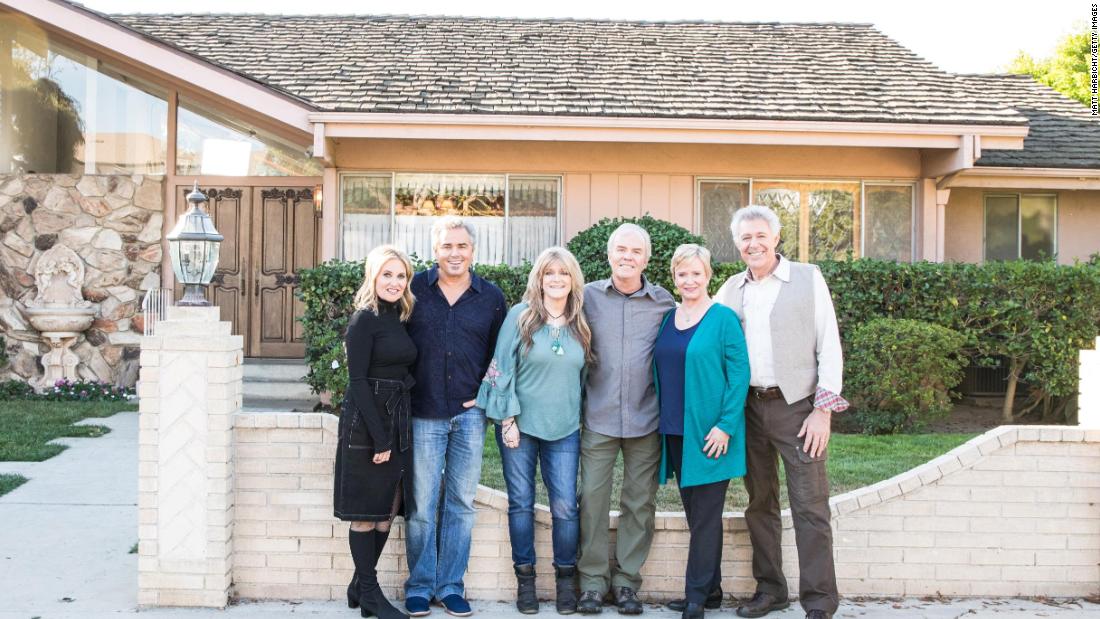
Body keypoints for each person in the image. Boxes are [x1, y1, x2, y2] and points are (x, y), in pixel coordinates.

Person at [714, 205, 848, 619]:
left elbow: (830, 347)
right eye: (745, 238)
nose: (753, 244)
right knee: (760, 503)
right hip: (749, 410)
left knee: (810, 506)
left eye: (760, 236)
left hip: (798, 409)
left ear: (775, 238)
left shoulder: (807, 278)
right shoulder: (730, 289)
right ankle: (771, 589)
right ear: (738, 245)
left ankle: (820, 601)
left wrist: (822, 411)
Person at [477, 247, 595, 615]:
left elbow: (585, 377)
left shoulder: (581, 322)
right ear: (539, 279)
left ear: (573, 279)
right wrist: (507, 420)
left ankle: (564, 582)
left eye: (563, 273)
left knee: (565, 508)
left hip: (564, 429)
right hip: (520, 428)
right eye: (549, 273)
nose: (556, 279)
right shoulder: (521, 316)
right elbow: (500, 368)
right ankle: (525, 582)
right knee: (521, 504)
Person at [404, 216, 506, 618]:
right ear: (435, 250)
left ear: (473, 251)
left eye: (462, 246)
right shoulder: (413, 290)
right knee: (422, 504)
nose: (454, 253)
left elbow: (500, 357)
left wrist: (484, 395)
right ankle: (419, 585)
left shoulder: (491, 297)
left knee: (461, 502)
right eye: (447, 246)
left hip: (469, 416)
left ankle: (450, 586)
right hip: (423, 412)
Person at [577, 223, 676, 615]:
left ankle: (627, 583)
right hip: (598, 417)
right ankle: (592, 583)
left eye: (636, 251)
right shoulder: (586, 297)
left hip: (645, 419)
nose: (627, 257)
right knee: (592, 502)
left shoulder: (664, 302)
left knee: (639, 503)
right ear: (609, 254)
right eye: (621, 249)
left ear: (647, 259)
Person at [653, 244, 749, 619]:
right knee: (697, 516)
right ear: (674, 279)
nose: (689, 280)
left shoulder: (723, 318)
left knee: (706, 516)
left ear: (708, 276)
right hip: (676, 431)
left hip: (711, 434)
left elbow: (740, 374)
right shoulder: (668, 318)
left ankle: (695, 597)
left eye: (696, 273)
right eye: (682, 274)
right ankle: (712, 589)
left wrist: (726, 426)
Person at [335, 244, 418, 619]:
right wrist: (379, 438)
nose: (395, 282)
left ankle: (359, 584)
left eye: (401, 276)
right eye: (387, 274)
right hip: (367, 423)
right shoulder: (363, 320)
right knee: (366, 513)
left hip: (396, 415)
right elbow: (357, 383)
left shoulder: (399, 316)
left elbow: (399, 366)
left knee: (388, 508)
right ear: (373, 276)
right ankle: (369, 592)